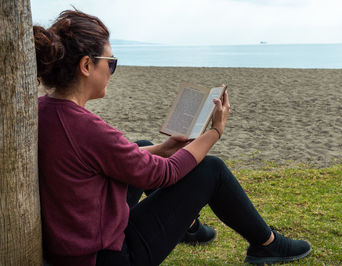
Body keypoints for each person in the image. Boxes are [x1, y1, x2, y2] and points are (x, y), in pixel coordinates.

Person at [35, 9, 311, 266]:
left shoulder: (42, 110)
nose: (111, 72)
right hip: (107, 257)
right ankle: (267, 244)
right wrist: (215, 131)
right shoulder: (87, 128)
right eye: (111, 63)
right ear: (86, 66)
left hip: (73, 239)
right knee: (211, 169)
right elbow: (163, 175)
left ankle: (187, 227)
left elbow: (98, 158)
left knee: (143, 148)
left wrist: (163, 147)